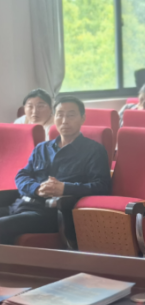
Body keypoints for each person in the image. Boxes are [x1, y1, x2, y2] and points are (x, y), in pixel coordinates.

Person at [0, 96, 111, 245]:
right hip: (21, 205)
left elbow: (102, 186)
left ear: (82, 118)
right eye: (60, 115)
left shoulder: (94, 150)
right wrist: (37, 188)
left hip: (50, 213)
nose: (64, 121)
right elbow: (22, 175)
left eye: (71, 115)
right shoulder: (42, 148)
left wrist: (64, 188)